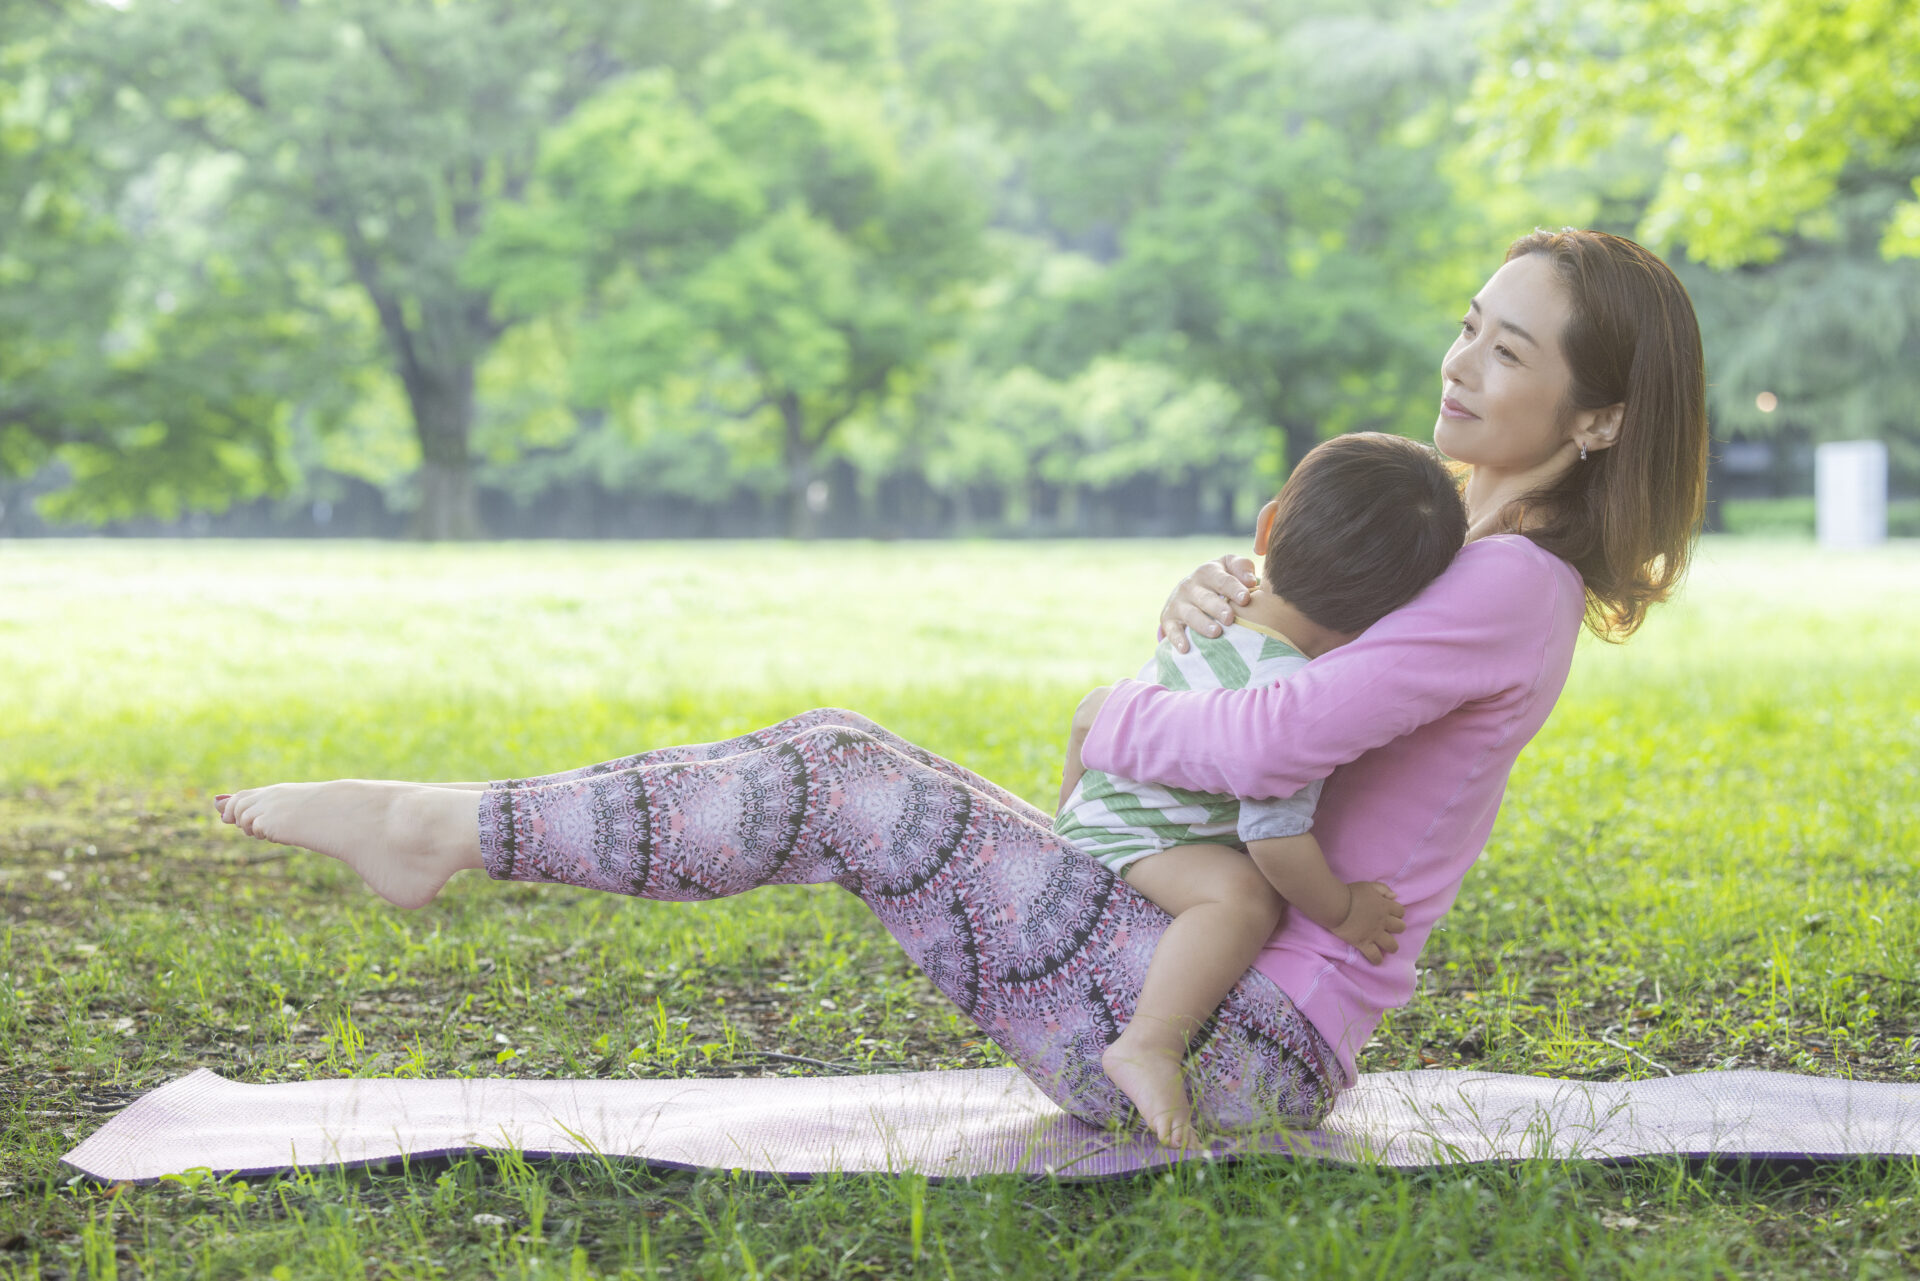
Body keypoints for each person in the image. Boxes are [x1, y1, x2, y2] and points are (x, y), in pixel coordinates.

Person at [211, 227, 1708, 1143]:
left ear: (1597, 421)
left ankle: (444, 832)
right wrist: (1212, 605)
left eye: (1507, 352)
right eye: (1467, 323)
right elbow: (1286, 673)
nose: (1459, 364)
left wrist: (1113, 716)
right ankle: (452, 830)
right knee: (838, 757)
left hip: (1237, 1040)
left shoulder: (1514, 585)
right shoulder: (1456, 548)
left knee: (844, 781)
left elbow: (1282, 736)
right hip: (1195, 967)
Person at [1056, 431, 1466, 1145]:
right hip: (1138, 836)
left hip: (1104, 813)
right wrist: (1343, 911)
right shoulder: (1293, 698)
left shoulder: (1215, 610)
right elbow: (1274, 837)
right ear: (1384, 623)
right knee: (1244, 894)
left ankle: (1058, 837)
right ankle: (1149, 1042)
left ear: (1269, 525)